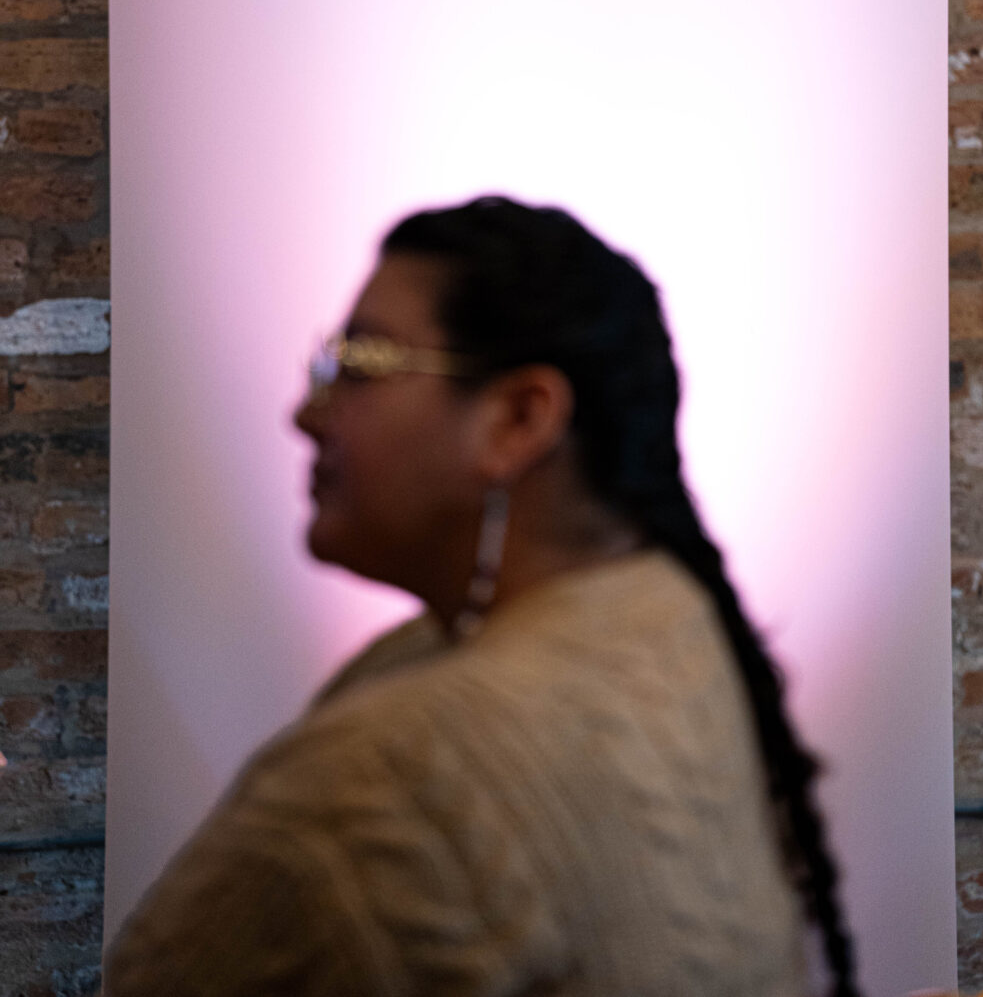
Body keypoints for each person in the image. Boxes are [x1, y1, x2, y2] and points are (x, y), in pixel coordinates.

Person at [105, 196, 860, 997]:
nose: (306, 411)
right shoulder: (673, 619)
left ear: (518, 418)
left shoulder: (383, 781)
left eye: (360, 364)